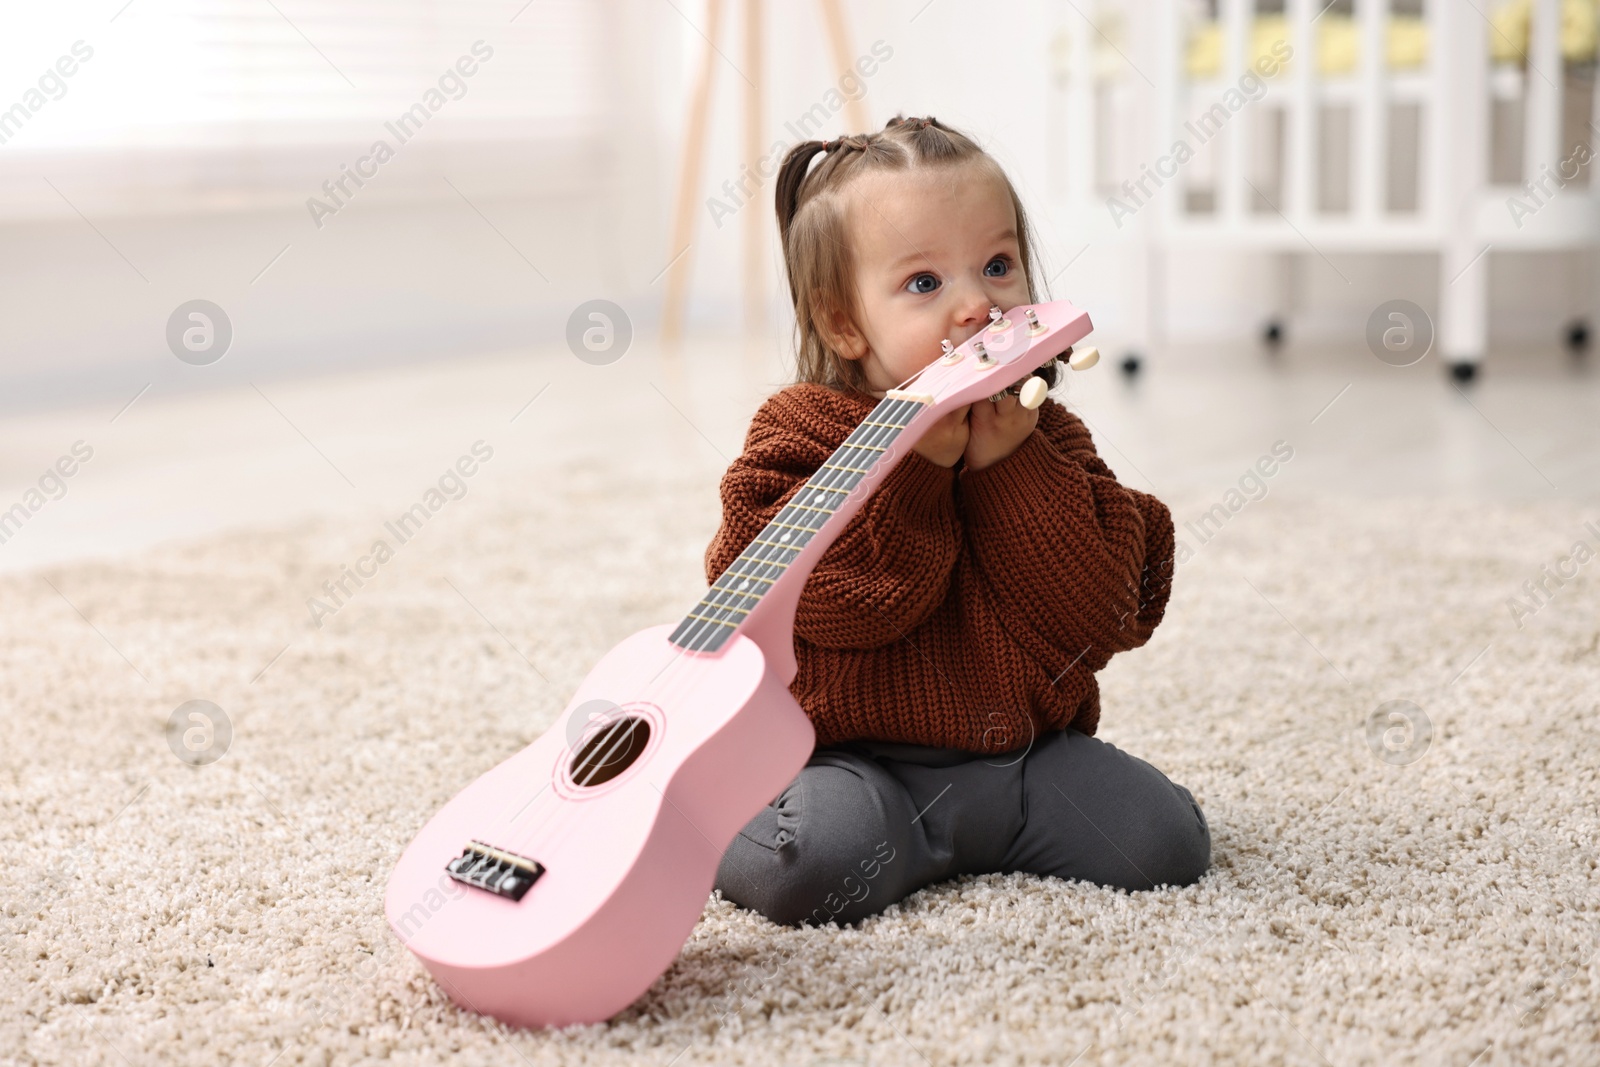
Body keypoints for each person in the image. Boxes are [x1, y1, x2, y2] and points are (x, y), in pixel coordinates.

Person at [705, 115, 1210, 928]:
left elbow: (1109, 614)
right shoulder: (798, 434)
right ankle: (711, 816)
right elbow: (817, 605)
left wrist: (1010, 469)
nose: (979, 305)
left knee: (1165, 844)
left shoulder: (1044, 435)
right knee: (813, 867)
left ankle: (991, 833)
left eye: (999, 266)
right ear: (843, 323)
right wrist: (914, 472)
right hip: (854, 768)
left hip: (1022, 763)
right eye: (925, 284)